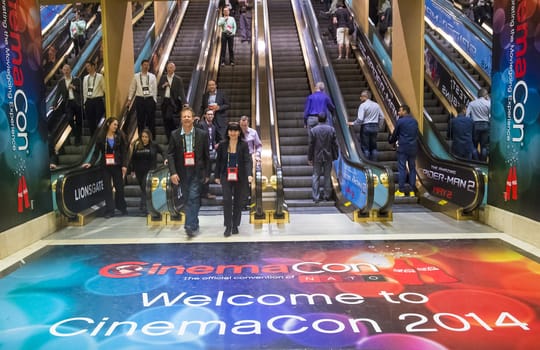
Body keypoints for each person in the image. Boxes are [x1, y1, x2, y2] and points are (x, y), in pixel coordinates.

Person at [167, 106, 211, 237]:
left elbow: (206, 156)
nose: (186, 118)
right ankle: (194, 223)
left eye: (188, 116)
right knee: (187, 198)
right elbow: (170, 154)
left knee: (193, 196)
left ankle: (189, 225)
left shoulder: (202, 134)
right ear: (181, 119)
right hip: (182, 172)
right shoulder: (174, 135)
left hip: (197, 171)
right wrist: (173, 172)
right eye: (184, 116)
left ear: (193, 119)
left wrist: (207, 174)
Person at [215, 122, 253, 237]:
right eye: (231, 130)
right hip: (226, 175)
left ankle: (235, 224)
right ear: (227, 132)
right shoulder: (222, 145)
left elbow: (247, 160)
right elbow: (218, 162)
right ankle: (228, 225)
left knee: (238, 201)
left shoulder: (244, 145)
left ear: (239, 132)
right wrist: (216, 176)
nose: (233, 133)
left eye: (235, 130)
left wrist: (249, 174)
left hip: (240, 176)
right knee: (227, 200)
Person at [88, 117, 129, 218]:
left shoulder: (120, 136)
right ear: (108, 124)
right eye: (114, 124)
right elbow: (96, 152)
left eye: (117, 125)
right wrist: (91, 163)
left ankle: (121, 206)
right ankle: (110, 210)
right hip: (105, 166)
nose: (116, 126)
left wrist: (124, 165)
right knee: (107, 188)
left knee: (119, 188)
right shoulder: (101, 137)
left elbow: (124, 152)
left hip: (117, 165)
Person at [130, 129, 166, 214]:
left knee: (145, 186)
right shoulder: (137, 145)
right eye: (142, 137)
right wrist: (132, 170)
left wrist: (165, 159)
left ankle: (144, 206)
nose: (144, 138)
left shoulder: (154, 145)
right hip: (139, 171)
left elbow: (163, 151)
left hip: (150, 171)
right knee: (144, 189)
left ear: (149, 137)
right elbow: (133, 158)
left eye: (146, 137)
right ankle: (147, 206)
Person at [388, 105, 418, 197]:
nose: (398, 112)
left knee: (402, 169)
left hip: (403, 148)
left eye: (400, 111)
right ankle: (412, 190)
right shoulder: (415, 121)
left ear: (405, 111)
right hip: (413, 148)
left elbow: (395, 134)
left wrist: (390, 141)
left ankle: (401, 190)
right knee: (412, 169)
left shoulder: (400, 122)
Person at [308, 113, 338, 203]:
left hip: (317, 156)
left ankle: (315, 196)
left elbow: (311, 145)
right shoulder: (331, 129)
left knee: (316, 176)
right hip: (328, 156)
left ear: (318, 119)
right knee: (327, 176)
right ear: (326, 119)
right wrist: (335, 155)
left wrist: (310, 157)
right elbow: (335, 144)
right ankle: (327, 195)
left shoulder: (313, 130)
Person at [51, 64, 83, 145]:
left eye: (67, 69)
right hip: (68, 103)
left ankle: (77, 138)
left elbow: (82, 91)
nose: (66, 71)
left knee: (79, 121)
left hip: (77, 103)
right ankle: (76, 134)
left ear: (70, 70)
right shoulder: (61, 82)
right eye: (64, 70)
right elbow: (58, 94)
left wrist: (74, 87)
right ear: (62, 71)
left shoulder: (77, 80)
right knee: (70, 119)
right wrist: (54, 105)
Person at [349, 90, 384, 161]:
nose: (360, 98)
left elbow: (360, 118)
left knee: (366, 148)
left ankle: (367, 164)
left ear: (365, 97)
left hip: (366, 127)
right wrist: (379, 126)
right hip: (375, 127)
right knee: (374, 147)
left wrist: (353, 123)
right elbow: (382, 117)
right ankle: (375, 164)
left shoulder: (363, 105)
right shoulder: (377, 105)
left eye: (361, 96)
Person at [127, 59, 158, 138]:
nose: (146, 66)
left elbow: (155, 89)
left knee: (151, 119)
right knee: (140, 119)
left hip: (149, 99)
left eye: (147, 65)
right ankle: (140, 138)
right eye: (144, 65)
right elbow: (132, 88)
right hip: (140, 99)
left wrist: (154, 100)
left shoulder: (152, 76)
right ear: (141, 66)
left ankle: (152, 138)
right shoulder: (136, 76)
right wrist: (130, 99)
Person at [158, 61, 186, 142]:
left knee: (170, 118)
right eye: (168, 68)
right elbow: (159, 89)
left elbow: (181, 91)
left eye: (171, 67)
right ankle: (169, 138)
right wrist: (163, 86)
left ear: (174, 68)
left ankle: (174, 137)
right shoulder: (163, 78)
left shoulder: (178, 79)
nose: (169, 69)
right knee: (165, 120)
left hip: (173, 101)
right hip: (165, 101)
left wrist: (185, 102)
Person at [197, 109, 220, 200]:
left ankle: (205, 192)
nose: (210, 116)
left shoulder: (213, 127)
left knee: (208, 172)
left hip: (211, 151)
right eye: (208, 114)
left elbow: (212, 139)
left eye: (212, 114)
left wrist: (215, 144)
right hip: (202, 153)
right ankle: (202, 192)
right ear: (205, 115)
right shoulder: (201, 125)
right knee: (203, 172)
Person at [82, 60, 106, 136]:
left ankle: (100, 136)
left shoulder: (100, 77)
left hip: (98, 100)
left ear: (93, 66)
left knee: (99, 120)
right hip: (89, 101)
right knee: (90, 121)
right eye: (86, 67)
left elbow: (105, 89)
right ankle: (93, 137)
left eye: (88, 66)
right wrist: (85, 102)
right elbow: (85, 90)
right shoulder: (85, 78)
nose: (87, 68)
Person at [467, 88, 491, 161]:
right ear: (485, 95)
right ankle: (483, 161)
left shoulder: (472, 103)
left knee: (474, 145)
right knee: (484, 146)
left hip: (475, 125)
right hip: (486, 125)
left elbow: (467, 116)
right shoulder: (489, 103)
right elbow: (491, 116)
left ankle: (475, 160)